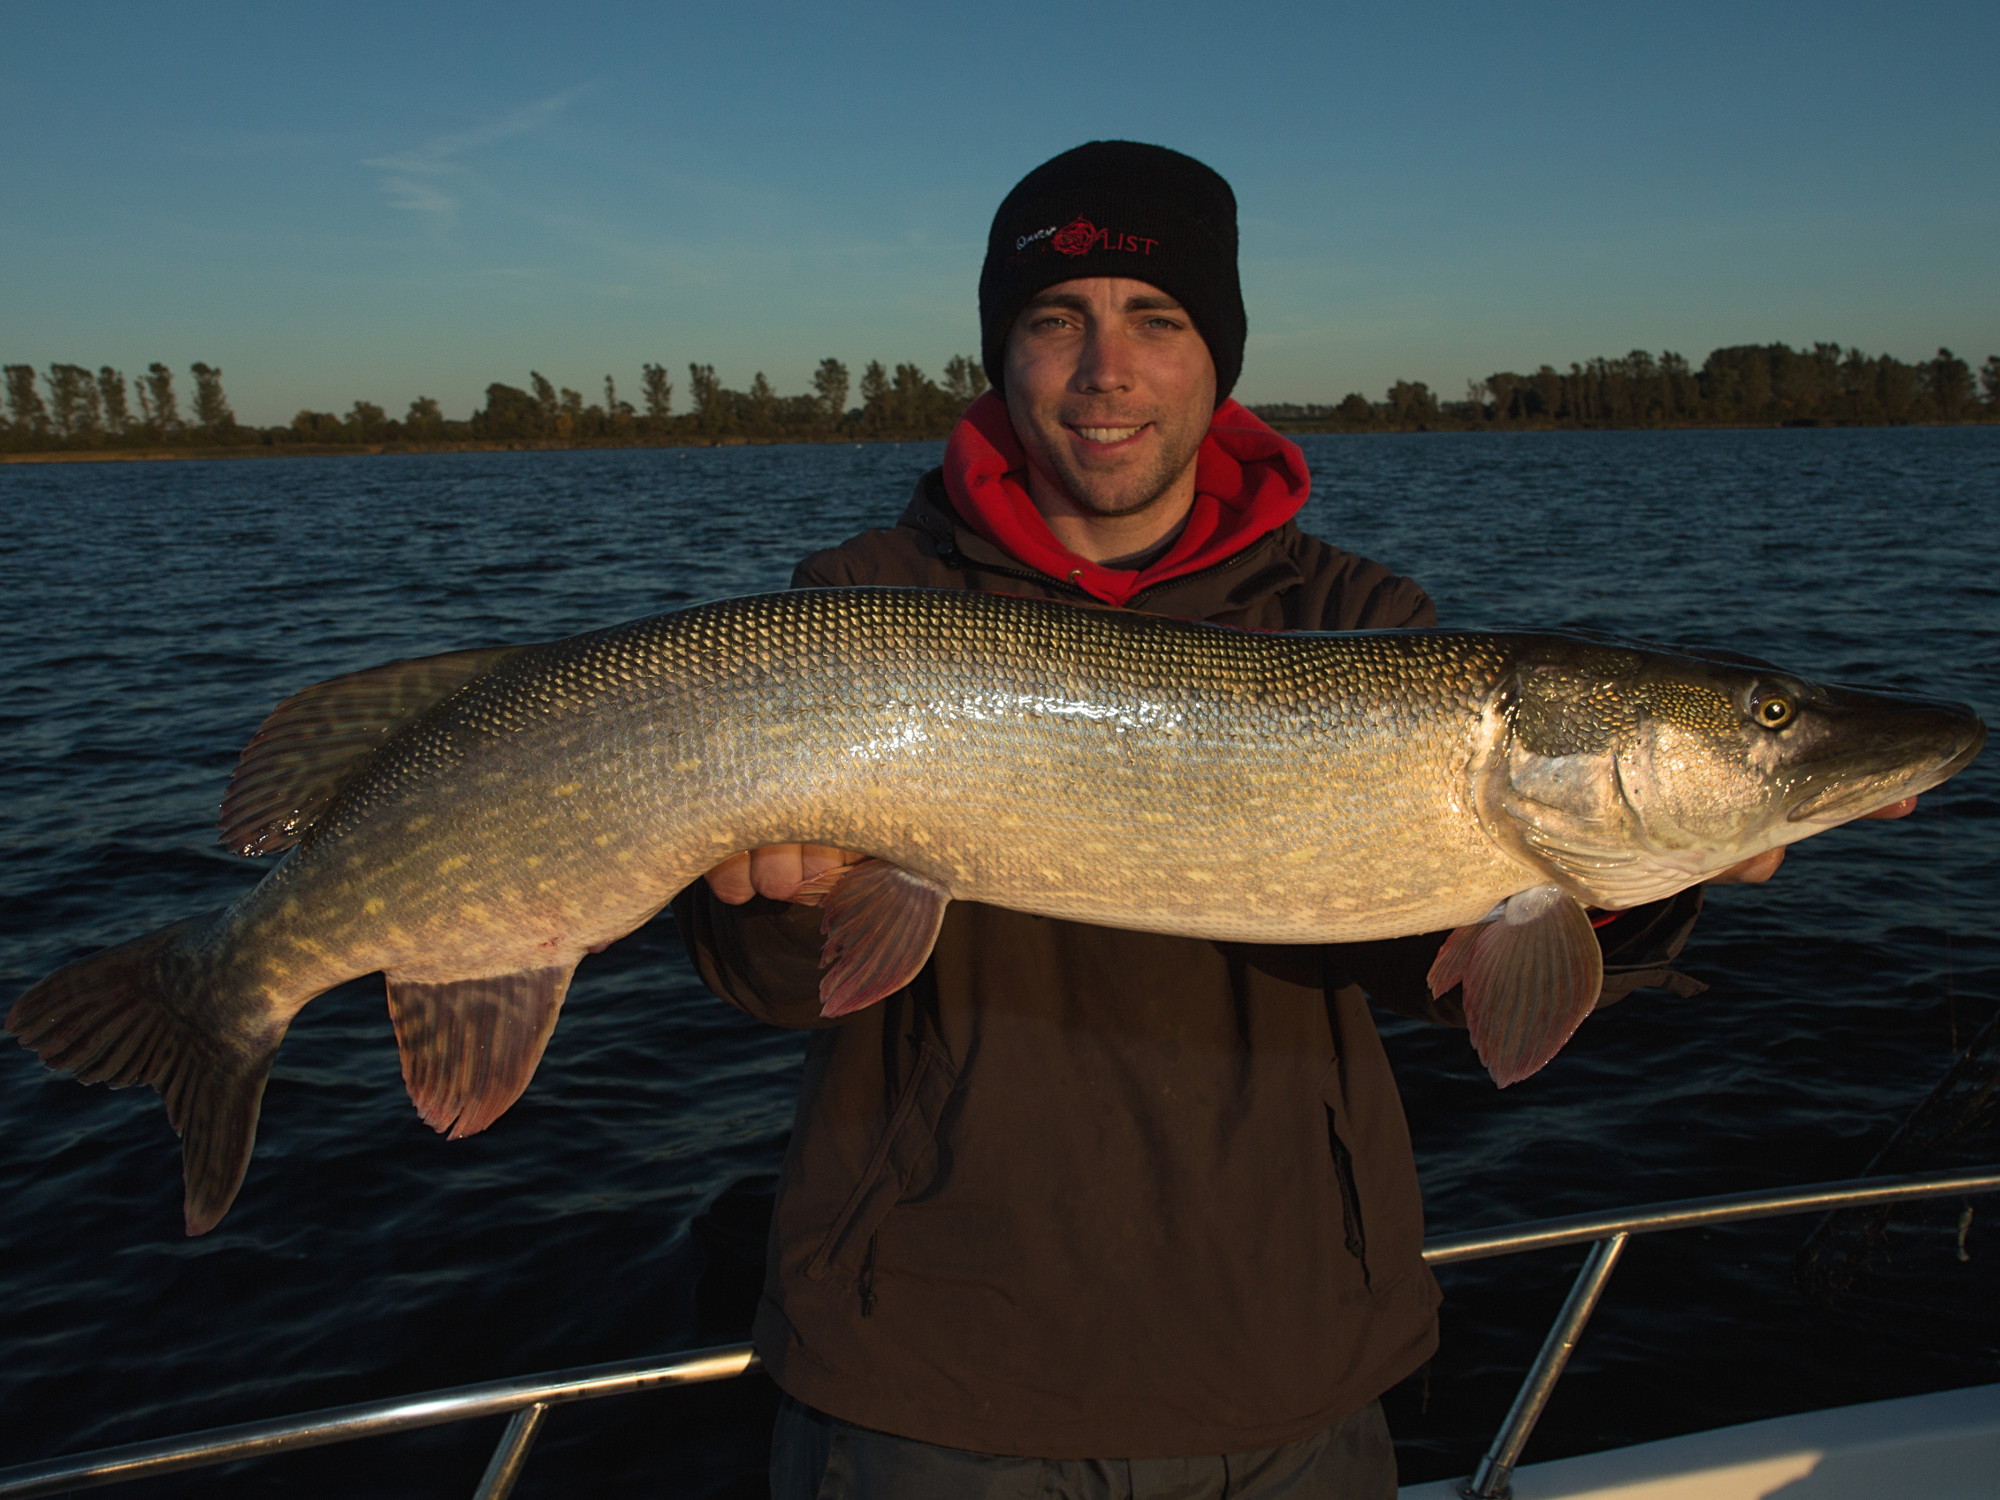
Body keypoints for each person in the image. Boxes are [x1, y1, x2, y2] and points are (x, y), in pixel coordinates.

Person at [671, 140, 1912, 1499]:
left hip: (1288, 1370)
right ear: (1002, 357)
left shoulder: (1358, 621)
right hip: (927, 1377)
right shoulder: (858, 605)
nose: (1108, 371)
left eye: (1158, 320)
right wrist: (787, 906)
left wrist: (1631, 885)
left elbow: (1444, 984)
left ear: (1220, 355)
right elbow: (759, 981)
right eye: (1054, 322)